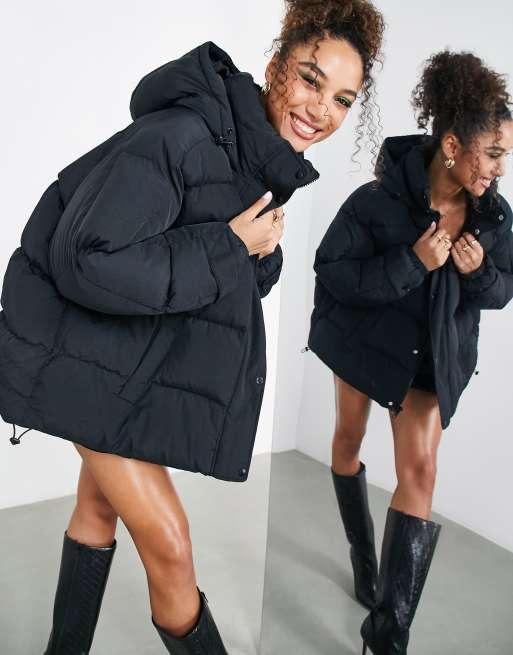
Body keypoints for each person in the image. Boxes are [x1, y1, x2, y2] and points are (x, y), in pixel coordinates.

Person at [0, 1, 385, 653]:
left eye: (342, 100)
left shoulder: (255, 161)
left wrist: (253, 253)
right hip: (78, 357)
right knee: (172, 548)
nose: (321, 109)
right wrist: (232, 246)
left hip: (121, 364)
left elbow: (207, 271)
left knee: (98, 506)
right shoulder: (179, 135)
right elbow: (87, 256)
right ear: (275, 67)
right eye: (310, 79)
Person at [308, 49, 513, 654]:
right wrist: (412, 262)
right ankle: (362, 556)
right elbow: (331, 270)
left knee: (420, 472)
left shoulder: (494, 218)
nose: (500, 168)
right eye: (493, 153)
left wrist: (478, 274)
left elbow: (503, 289)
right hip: (367, 344)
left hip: (430, 359)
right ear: (452, 145)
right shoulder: (376, 201)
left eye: (505, 154)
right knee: (347, 443)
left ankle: (386, 637)